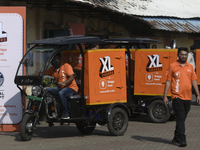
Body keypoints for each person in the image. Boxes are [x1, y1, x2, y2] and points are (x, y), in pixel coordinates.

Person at [163, 47, 200, 147]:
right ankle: (182, 139)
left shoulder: (190, 67)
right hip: (177, 97)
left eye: (185, 55)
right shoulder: (173, 66)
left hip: (188, 97)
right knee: (180, 117)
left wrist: (198, 95)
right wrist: (165, 96)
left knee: (182, 119)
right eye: (182, 54)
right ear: (178, 55)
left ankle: (176, 136)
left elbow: (194, 81)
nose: (184, 56)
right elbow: (168, 81)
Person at [45, 53, 78, 119]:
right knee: (46, 91)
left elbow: (71, 77)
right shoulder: (52, 69)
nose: (54, 60)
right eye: (53, 59)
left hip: (71, 88)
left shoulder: (66, 66)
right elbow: (42, 73)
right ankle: (53, 111)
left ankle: (66, 114)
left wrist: (64, 83)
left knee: (62, 93)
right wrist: (31, 76)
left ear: (60, 59)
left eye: (56, 59)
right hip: (60, 88)